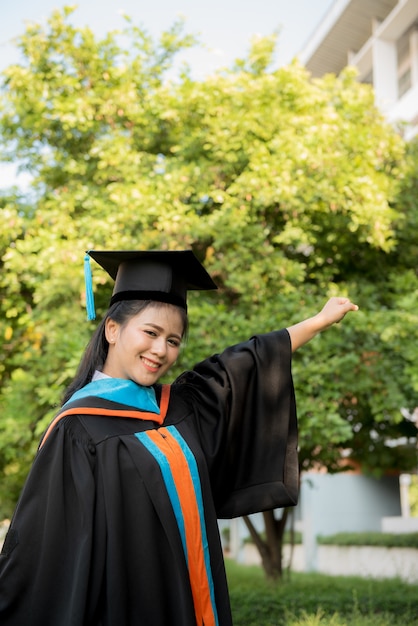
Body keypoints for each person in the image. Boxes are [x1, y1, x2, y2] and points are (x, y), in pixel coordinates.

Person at [0, 249, 358, 626]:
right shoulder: (79, 427)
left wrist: (317, 323)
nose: (161, 350)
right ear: (113, 330)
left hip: (194, 601)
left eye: (173, 340)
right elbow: (47, 549)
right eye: (151, 333)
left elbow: (243, 365)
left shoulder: (180, 407)